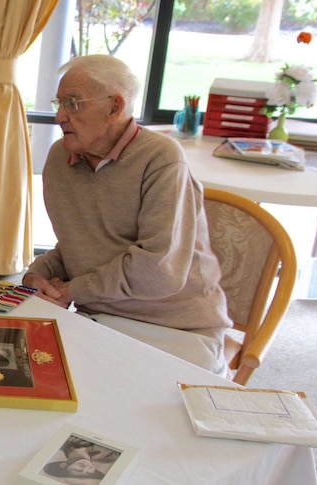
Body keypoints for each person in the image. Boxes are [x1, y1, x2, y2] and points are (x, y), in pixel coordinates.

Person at [22, 54, 232, 376]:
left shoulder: (160, 159)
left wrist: (69, 291)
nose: (60, 116)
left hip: (177, 329)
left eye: (73, 103)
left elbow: (157, 271)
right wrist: (35, 277)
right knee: (15, 369)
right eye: (59, 103)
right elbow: (76, 245)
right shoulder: (59, 160)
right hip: (97, 317)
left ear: (115, 107)